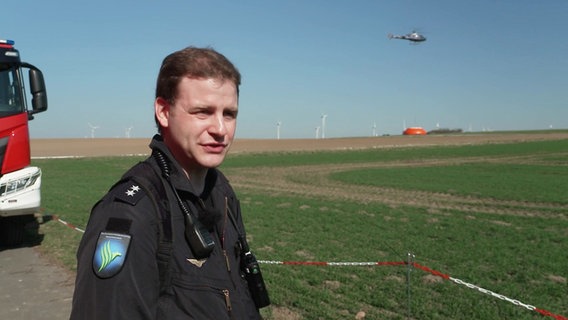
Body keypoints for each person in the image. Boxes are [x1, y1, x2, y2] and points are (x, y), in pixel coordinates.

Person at [70, 46, 267, 319]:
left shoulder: (221, 192)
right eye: (202, 112)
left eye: (229, 114)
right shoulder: (130, 214)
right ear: (164, 111)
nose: (220, 129)